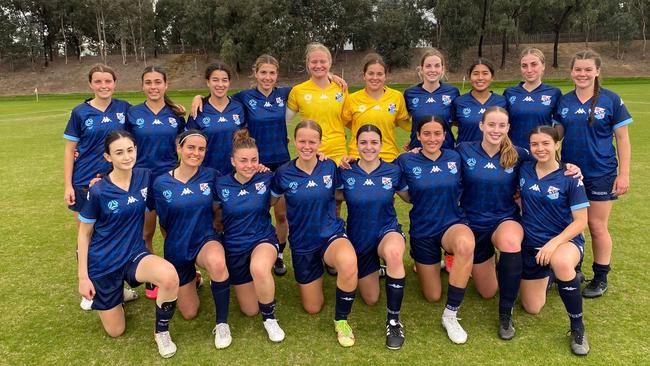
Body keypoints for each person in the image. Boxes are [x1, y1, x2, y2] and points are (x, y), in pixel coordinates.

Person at [77, 130, 180, 358]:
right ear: (108, 157)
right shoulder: (99, 190)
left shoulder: (144, 176)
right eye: (119, 152)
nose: (126, 157)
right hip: (103, 262)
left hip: (134, 254)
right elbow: (84, 235)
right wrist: (83, 278)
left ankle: (161, 332)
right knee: (116, 331)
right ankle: (116, 294)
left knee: (170, 276)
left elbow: (170, 186)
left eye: (130, 150)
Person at [270, 120, 358, 347]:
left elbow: (342, 192)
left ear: (320, 143)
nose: (307, 146)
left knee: (348, 262)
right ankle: (318, 272)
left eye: (312, 141)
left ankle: (341, 320)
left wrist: (349, 161)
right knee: (312, 307)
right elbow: (268, 200)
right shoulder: (283, 173)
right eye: (302, 141)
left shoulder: (329, 166)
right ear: (294, 142)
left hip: (330, 234)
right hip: (302, 243)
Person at [555, 49, 632, 299]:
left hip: (601, 172)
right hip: (569, 174)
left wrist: (624, 174)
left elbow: (622, 139)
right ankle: (573, 269)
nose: (583, 74)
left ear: (597, 71)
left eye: (588, 69)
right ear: (571, 72)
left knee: (596, 226)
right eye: (578, 69)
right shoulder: (564, 102)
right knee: (570, 224)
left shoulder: (611, 100)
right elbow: (557, 137)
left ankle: (600, 276)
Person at [395, 116, 475, 345]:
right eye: (426, 134)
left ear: (445, 135)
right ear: (418, 136)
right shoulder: (405, 161)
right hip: (423, 229)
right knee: (432, 296)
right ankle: (437, 264)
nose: (432, 138)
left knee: (466, 245)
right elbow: (395, 185)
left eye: (437, 133)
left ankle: (450, 315)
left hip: (452, 223)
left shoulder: (456, 156)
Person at [63, 64, 137, 310]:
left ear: (115, 84)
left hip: (115, 181)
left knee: (111, 236)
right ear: (91, 85)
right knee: (88, 235)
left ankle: (115, 288)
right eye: (98, 81)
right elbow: (68, 151)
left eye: (108, 81)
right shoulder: (80, 112)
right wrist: (68, 185)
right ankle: (89, 287)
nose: (104, 86)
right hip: (85, 183)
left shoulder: (124, 109)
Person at [151, 129, 233, 349]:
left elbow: (241, 178)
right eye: (191, 147)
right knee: (189, 313)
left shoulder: (212, 176)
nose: (195, 153)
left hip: (205, 239)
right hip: (177, 246)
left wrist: (261, 168)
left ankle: (222, 323)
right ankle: (193, 278)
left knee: (217, 263)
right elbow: (163, 223)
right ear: (179, 148)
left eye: (201, 149)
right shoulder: (160, 183)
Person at [518, 126, 590, 356]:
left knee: (560, 261)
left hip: (564, 242)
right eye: (535, 144)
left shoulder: (570, 177)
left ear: (557, 144)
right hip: (531, 245)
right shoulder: (524, 169)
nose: (540, 149)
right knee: (532, 307)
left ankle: (577, 328)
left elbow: (580, 221)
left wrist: (553, 243)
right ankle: (551, 276)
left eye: (546, 143)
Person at [335, 125, 408, 350]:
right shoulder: (346, 170)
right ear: (356, 145)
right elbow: (333, 195)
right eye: (363, 143)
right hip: (360, 238)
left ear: (382, 144)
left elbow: (410, 196)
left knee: (394, 253)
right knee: (370, 298)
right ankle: (378, 269)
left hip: (386, 230)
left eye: (374, 142)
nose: (369, 147)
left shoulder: (393, 171)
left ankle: (394, 322)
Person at [214, 129, 285, 343]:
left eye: (254, 159)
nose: (249, 165)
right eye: (243, 160)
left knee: (259, 268)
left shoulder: (267, 177)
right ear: (233, 161)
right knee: (249, 309)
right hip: (235, 247)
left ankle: (270, 319)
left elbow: (275, 201)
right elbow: (216, 212)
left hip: (262, 239)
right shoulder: (221, 183)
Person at [127, 65, 187, 299]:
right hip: (141, 181)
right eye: (148, 82)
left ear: (165, 85)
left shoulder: (176, 115)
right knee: (146, 233)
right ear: (142, 86)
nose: (153, 87)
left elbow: (186, 143)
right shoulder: (132, 114)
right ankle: (153, 278)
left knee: (171, 231)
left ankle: (179, 273)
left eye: (157, 82)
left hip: (170, 181)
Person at [286, 43, 348, 165]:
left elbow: (350, 119)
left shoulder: (341, 88)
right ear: (308, 64)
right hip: (311, 153)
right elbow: (285, 120)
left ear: (329, 63)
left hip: (338, 153)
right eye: (314, 62)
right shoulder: (298, 91)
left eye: (323, 61)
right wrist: (284, 136)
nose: (318, 65)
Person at [341, 53, 410, 162]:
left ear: (385, 76)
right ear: (364, 75)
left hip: (388, 158)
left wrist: (414, 139)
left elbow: (404, 123)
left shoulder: (397, 97)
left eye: (379, 74)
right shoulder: (352, 99)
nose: (375, 78)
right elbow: (344, 123)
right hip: (359, 158)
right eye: (371, 73)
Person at [186, 62, 245, 175]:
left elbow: (245, 140)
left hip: (235, 174)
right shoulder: (198, 109)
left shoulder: (239, 107)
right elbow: (188, 144)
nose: (220, 84)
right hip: (205, 174)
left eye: (224, 80)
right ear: (208, 82)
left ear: (229, 82)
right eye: (215, 80)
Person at [504, 48, 562, 149]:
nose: (529, 70)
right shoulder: (509, 93)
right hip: (514, 154)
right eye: (524, 66)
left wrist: (549, 145)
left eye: (534, 64)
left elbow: (560, 124)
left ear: (543, 66)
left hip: (541, 153)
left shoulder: (554, 93)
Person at [404, 48, 459, 150]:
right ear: (421, 69)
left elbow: (458, 121)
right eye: (428, 66)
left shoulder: (453, 92)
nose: (433, 70)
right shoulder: (410, 94)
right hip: (418, 152)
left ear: (442, 69)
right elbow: (402, 120)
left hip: (446, 151)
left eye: (437, 66)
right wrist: (412, 140)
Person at [452, 58, 507, 144]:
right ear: (469, 77)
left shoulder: (502, 101)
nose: (480, 78)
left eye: (485, 73)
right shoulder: (459, 102)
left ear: (492, 77)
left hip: (494, 155)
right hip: (465, 155)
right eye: (475, 74)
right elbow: (452, 124)